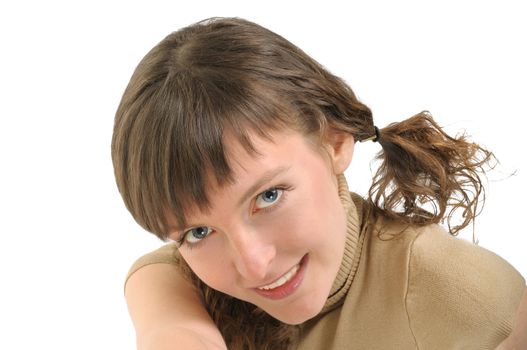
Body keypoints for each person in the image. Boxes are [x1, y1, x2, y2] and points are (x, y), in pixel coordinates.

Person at [112, 17, 526, 350]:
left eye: (268, 196)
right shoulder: (187, 283)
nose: (254, 264)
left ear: (335, 141)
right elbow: (161, 268)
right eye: (199, 231)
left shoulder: (459, 294)